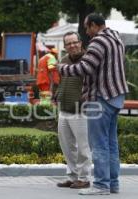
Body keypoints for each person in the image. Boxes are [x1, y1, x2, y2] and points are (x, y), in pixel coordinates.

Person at [58, 13, 129, 195]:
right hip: (116, 96)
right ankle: (113, 184)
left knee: (98, 145)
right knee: (111, 145)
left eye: (87, 27)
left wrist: (62, 68)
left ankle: (101, 185)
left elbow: (85, 67)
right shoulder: (116, 38)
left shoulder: (98, 41)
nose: (86, 32)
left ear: (94, 25)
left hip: (100, 98)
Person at [56, 31, 91, 189]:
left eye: (74, 42)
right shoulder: (63, 60)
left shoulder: (88, 60)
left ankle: (84, 178)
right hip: (64, 109)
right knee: (67, 146)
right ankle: (72, 177)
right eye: (69, 43)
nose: (72, 45)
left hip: (81, 111)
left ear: (80, 42)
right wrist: (56, 95)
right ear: (65, 46)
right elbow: (62, 82)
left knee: (83, 147)